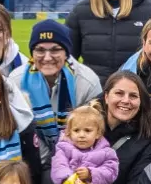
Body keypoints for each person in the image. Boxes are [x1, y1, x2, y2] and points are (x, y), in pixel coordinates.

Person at [22, 19, 103, 147]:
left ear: (66, 53)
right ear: (32, 53)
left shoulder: (87, 81)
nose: (47, 57)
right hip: (32, 156)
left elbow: (94, 131)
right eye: (40, 50)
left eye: (55, 50)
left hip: (77, 157)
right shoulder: (17, 81)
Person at [50, 105, 119, 184]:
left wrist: (90, 174)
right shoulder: (63, 148)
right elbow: (59, 166)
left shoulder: (107, 152)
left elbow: (111, 172)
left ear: (98, 133)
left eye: (87, 130)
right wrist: (69, 178)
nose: (81, 135)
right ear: (69, 132)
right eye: (76, 130)